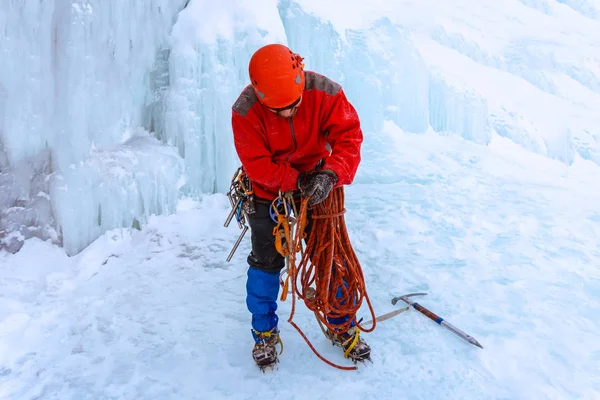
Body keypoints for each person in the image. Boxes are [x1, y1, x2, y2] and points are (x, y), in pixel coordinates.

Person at [231, 43, 369, 369]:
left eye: (292, 106)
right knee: (266, 260)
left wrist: (330, 175)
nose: (287, 113)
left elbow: (349, 138)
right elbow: (257, 164)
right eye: (278, 110)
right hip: (267, 188)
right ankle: (264, 333)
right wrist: (295, 182)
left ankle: (341, 324)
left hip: (319, 179)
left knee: (330, 255)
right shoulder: (246, 110)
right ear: (259, 94)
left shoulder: (326, 93)